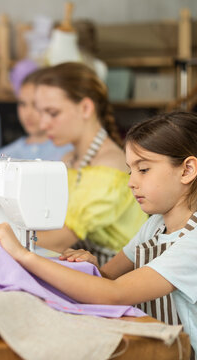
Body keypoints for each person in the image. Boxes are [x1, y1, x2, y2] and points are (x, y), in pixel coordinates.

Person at [0, 111, 197, 359]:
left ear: (187, 171)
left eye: (144, 169)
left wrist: (22, 255)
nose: (131, 181)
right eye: (131, 171)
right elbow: (107, 278)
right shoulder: (155, 226)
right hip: (151, 348)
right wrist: (94, 269)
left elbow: (113, 293)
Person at [31, 62, 147, 264]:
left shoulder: (110, 166)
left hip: (114, 275)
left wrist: (3, 234)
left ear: (85, 108)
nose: (42, 124)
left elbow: (59, 240)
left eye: (53, 113)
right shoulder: (68, 159)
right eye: (40, 113)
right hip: (80, 264)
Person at [0, 68, 73, 160]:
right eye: (22, 104)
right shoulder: (5, 155)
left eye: (36, 104)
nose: (28, 113)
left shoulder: (70, 151)